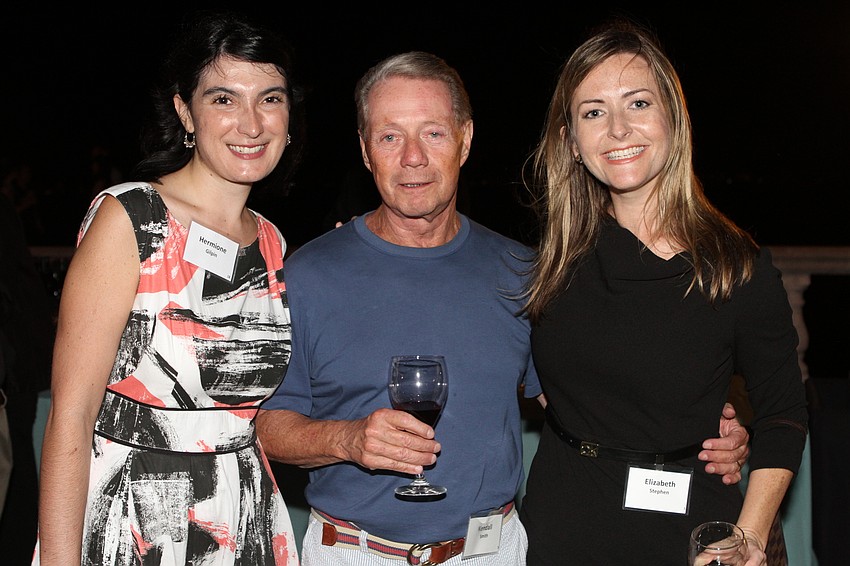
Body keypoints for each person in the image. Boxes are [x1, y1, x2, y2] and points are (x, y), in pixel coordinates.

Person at [256, 50, 749, 566]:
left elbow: (589, 402)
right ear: (365, 151)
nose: (412, 157)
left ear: (465, 140)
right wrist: (348, 439)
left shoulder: (523, 273)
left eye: (433, 133)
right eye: (389, 136)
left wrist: (698, 431)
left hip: (493, 553)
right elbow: (264, 426)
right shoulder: (308, 274)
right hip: (351, 553)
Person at [517, 20, 809, 565]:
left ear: (673, 118)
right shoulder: (550, 265)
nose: (619, 128)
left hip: (696, 534)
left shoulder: (732, 267)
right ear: (572, 142)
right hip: (563, 524)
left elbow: (783, 413)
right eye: (594, 112)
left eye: (638, 103)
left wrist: (747, 536)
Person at [33, 10, 304, 565]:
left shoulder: (273, 243)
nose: (251, 124)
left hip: (243, 512)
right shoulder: (131, 218)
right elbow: (72, 417)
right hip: (135, 515)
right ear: (185, 112)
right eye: (223, 99)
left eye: (270, 98)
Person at [0, 186, 54, 565]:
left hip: (14, 378)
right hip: (23, 375)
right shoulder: (20, 275)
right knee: (19, 472)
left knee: (16, 472)